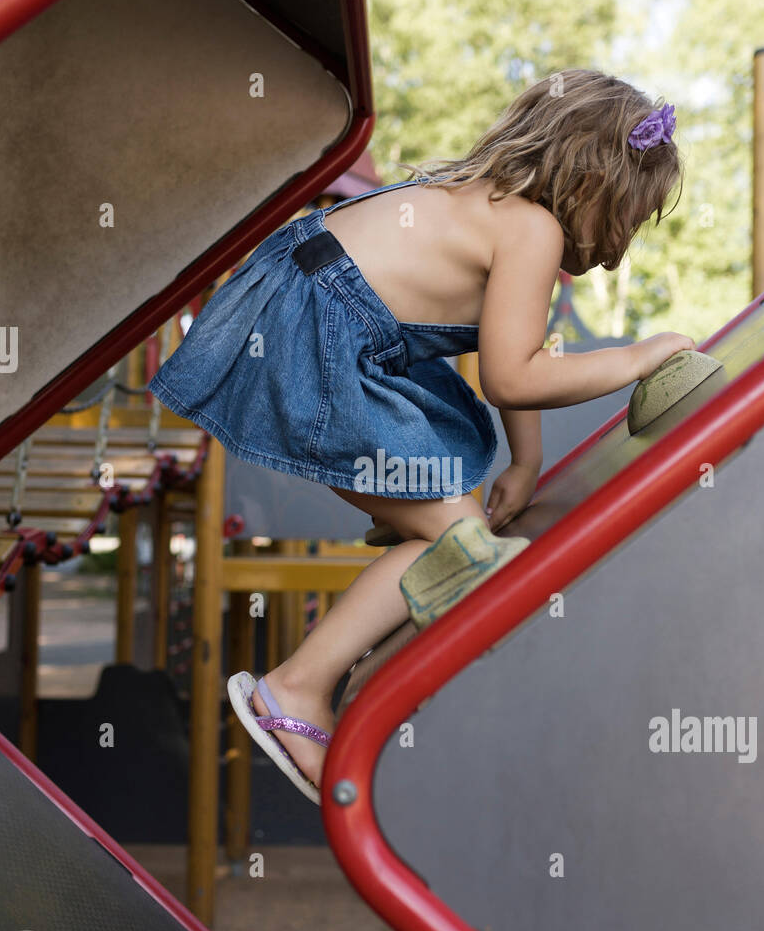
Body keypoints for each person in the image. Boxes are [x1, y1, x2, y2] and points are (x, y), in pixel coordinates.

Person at [148, 69, 693, 802]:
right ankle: (296, 690)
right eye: (628, 215)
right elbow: (514, 376)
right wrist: (636, 357)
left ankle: (361, 613)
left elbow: (514, 350)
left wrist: (525, 459)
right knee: (462, 547)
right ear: (594, 183)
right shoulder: (534, 229)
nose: (620, 246)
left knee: (452, 538)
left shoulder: (483, 201)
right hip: (321, 338)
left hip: (309, 314)